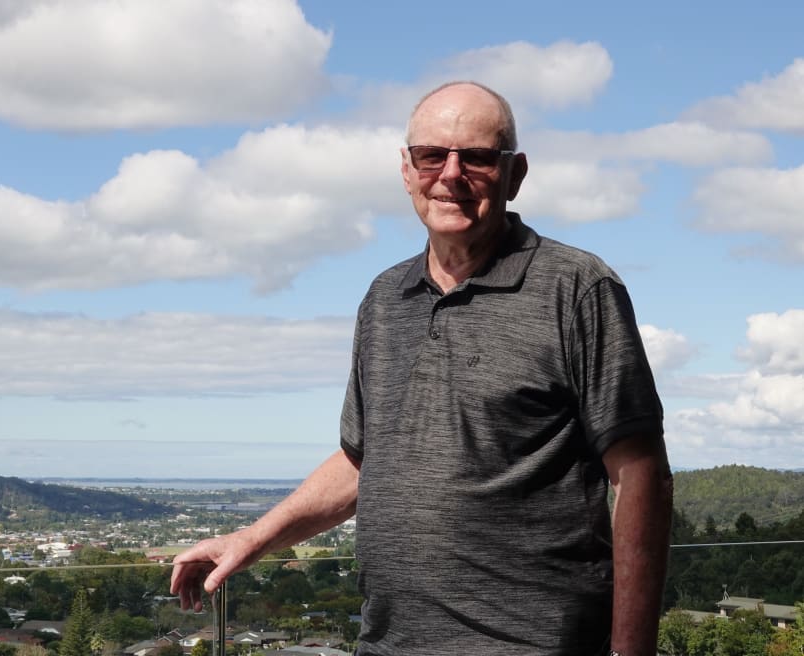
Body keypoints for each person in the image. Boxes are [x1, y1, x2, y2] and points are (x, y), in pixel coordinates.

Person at [170, 81, 673, 656]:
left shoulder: (576, 287)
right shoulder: (385, 298)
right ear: (407, 170)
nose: (451, 174)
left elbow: (640, 476)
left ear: (516, 174)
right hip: (389, 642)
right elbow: (364, 460)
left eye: (478, 158)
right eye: (432, 155)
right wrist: (250, 539)